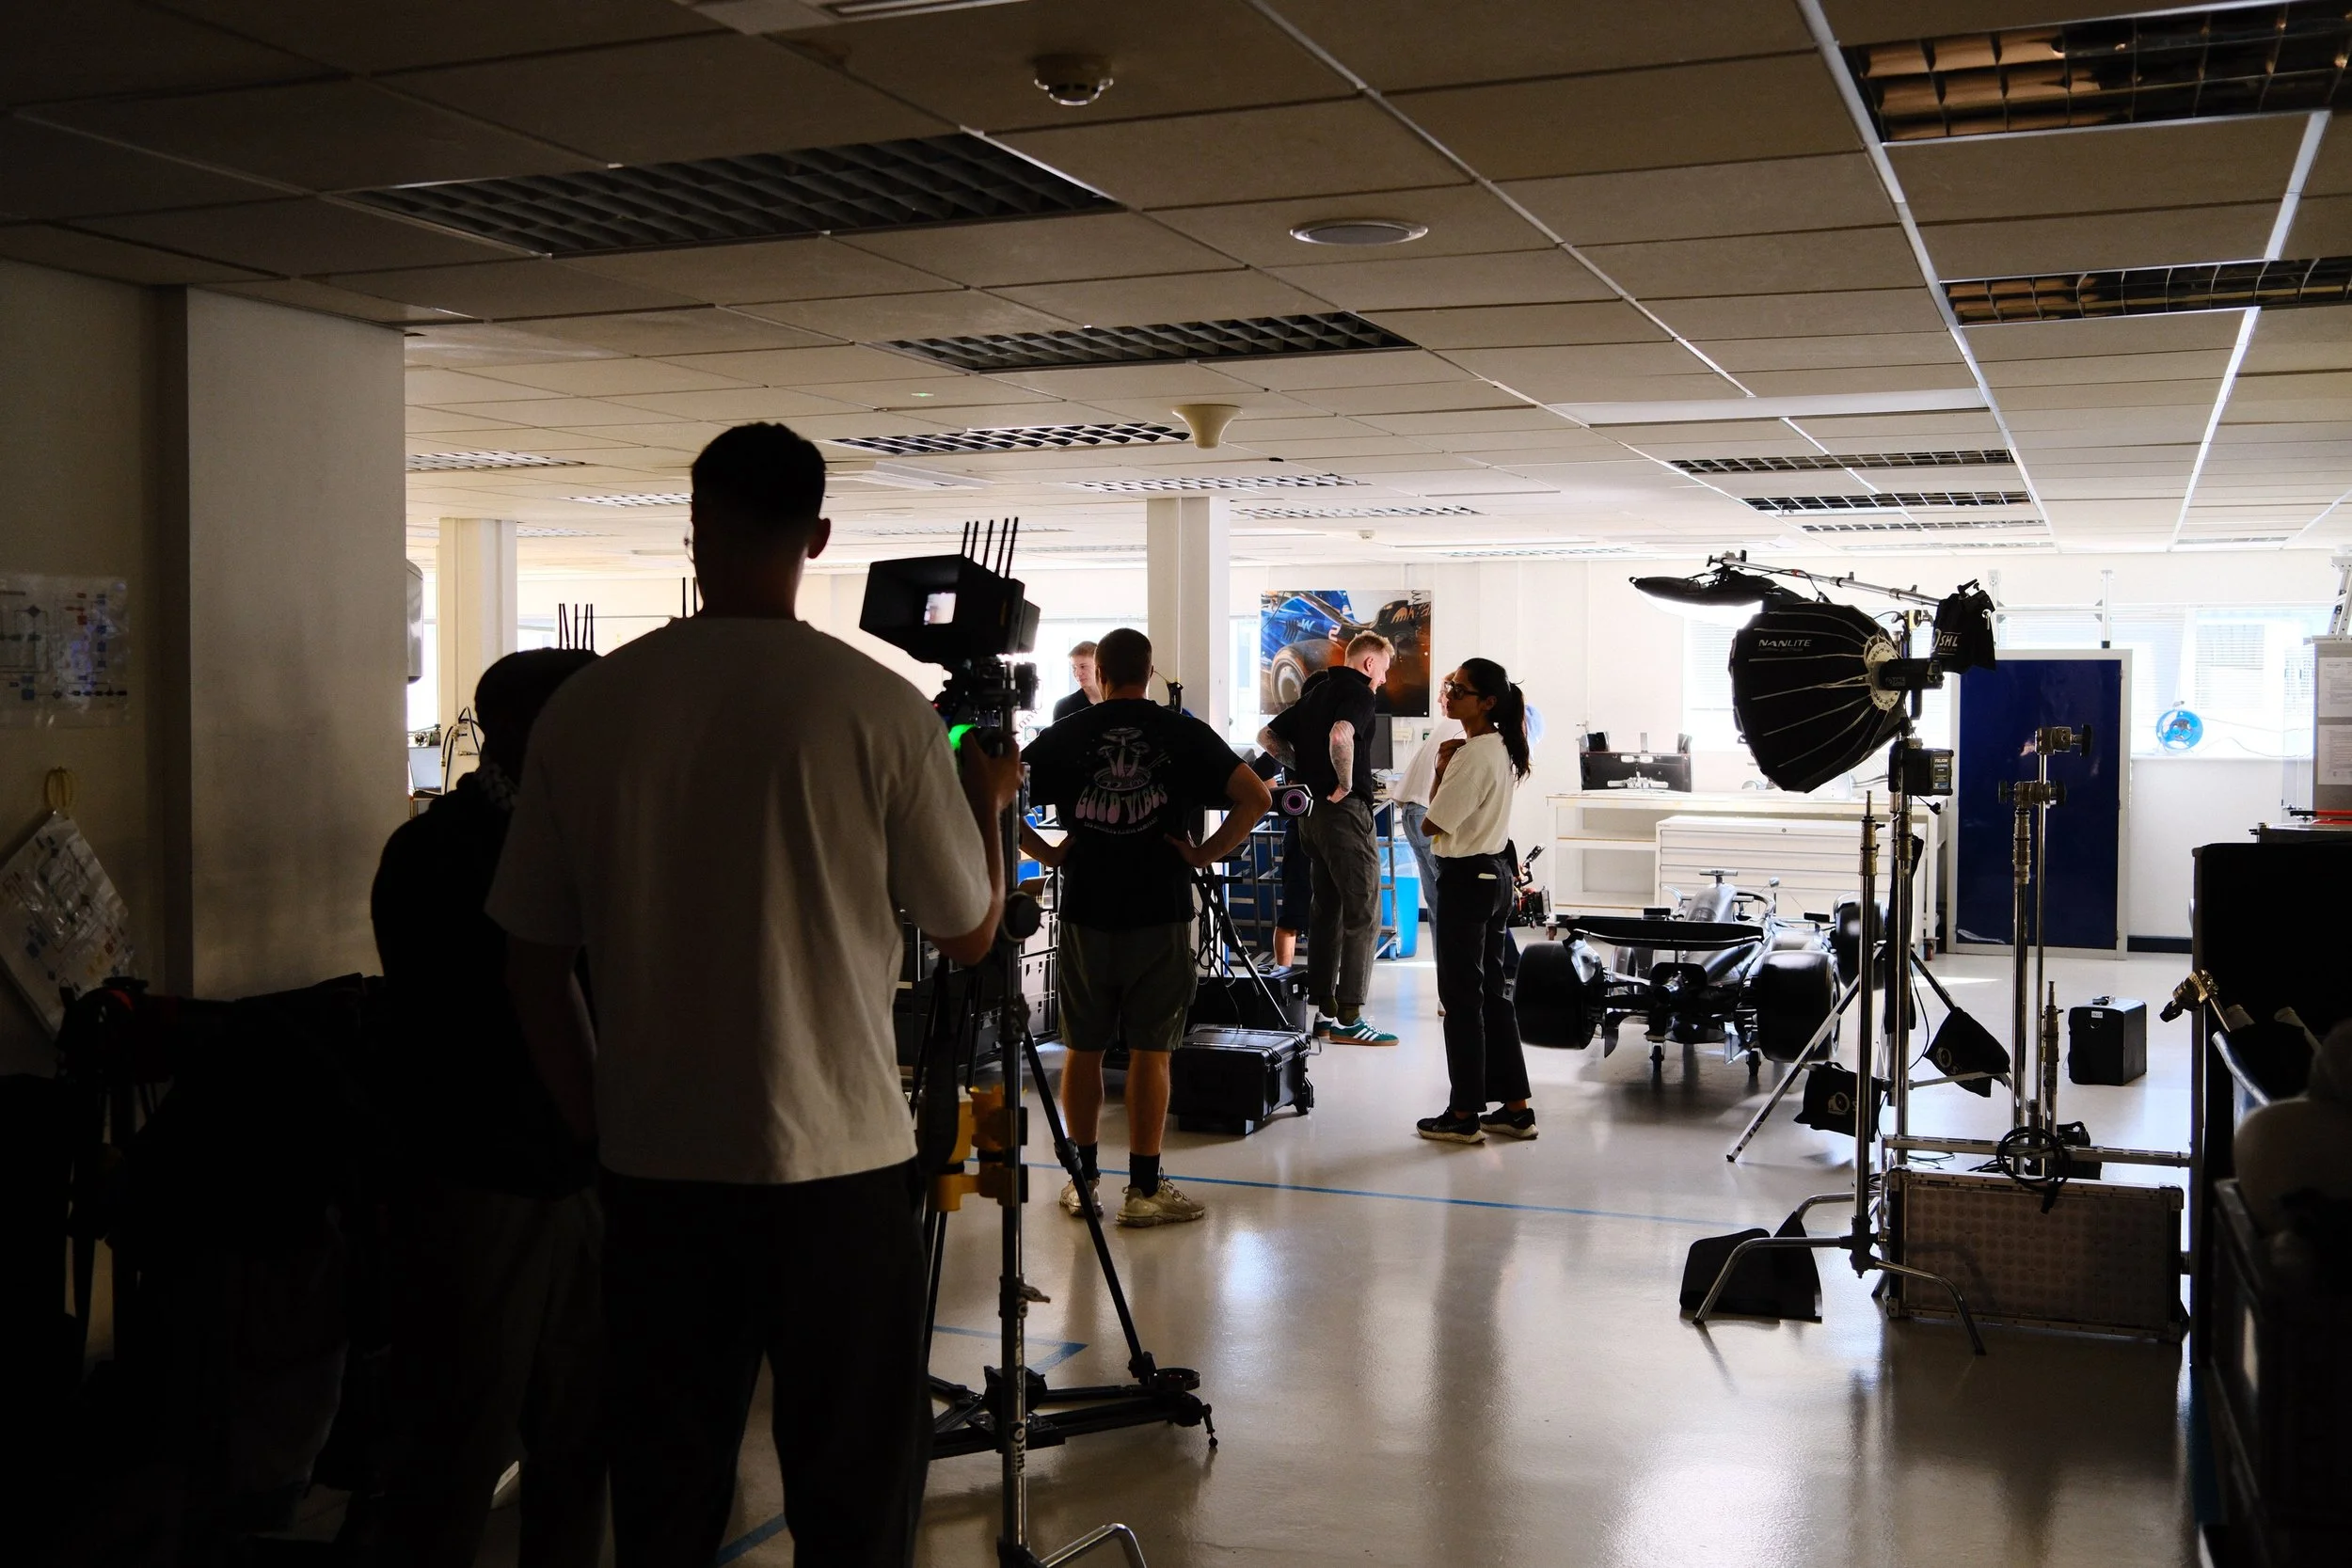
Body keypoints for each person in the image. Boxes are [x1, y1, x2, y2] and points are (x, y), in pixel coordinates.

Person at [489, 422, 1021, 1568]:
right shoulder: (878, 709)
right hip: (841, 1164)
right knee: (855, 1483)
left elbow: (531, 959)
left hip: (657, 1167)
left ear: (694, 526)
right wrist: (990, 804)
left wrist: (596, 1122)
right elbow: (969, 928)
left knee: (667, 1483)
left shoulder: (589, 709)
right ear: (818, 535)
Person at [368, 648, 605, 1568]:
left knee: (581, 1440)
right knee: (455, 1444)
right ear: (529, 732)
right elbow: (476, 1017)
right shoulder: (440, 851)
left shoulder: (586, 836)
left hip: (579, 1177)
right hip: (482, 1185)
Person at [1023, 627, 1273, 1227]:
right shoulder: (1182, 731)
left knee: (1081, 1050)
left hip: (1086, 910)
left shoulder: (1065, 735)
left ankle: (1083, 1183)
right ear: (1150, 670)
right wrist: (1206, 853)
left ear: (1100, 674)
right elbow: (1257, 797)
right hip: (1160, 912)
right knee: (1151, 1052)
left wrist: (1046, 851)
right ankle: (1144, 1189)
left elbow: (992, 796)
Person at [1415, 659, 1536, 1146]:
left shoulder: (1473, 754)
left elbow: (1432, 823)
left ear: (1487, 702)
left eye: (1459, 689)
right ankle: (1514, 1109)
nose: (1449, 694)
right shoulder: (1497, 747)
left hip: (1468, 880)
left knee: (1462, 999)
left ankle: (1464, 1113)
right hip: (1493, 875)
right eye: (1449, 686)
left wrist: (1443, 769)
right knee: (1490, 995)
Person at [1259, 632, 1396, 1046]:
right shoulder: (1357, 692)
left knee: (1327, 910)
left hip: (1310, 818)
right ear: (1369, 664)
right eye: (1384, 670)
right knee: (1364, 912)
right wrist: (1342, 781)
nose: (1384, 680)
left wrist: (1304, 770)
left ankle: (1324, 1012)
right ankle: (1351, 1018)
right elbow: (1341, 735)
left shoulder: (1314, 694)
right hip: (1342, 814)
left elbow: (1267, 737)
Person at [1051, 639, 1103, 721]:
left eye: (1083, 666)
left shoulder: (1118, 704)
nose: (1077, 673)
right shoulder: (1064, 707)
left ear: (1099, 667)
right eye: (1074, 668)